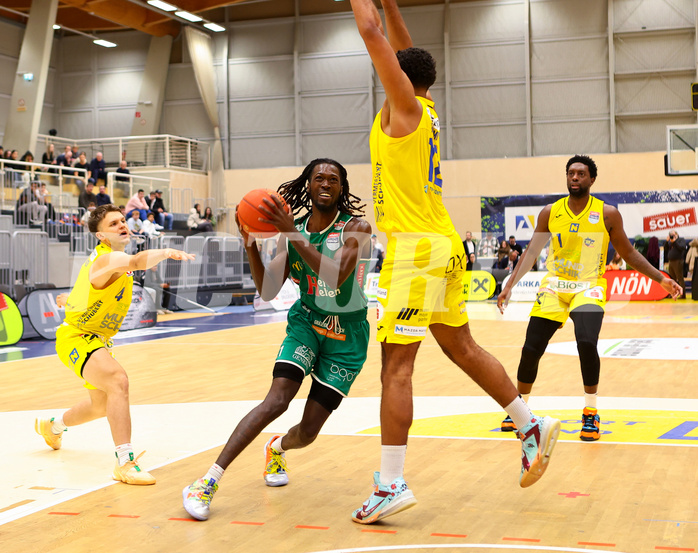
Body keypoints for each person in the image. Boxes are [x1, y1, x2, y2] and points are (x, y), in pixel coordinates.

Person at [349, 0, 561, 525]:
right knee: (461, 345)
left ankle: (391, 483)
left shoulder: (404, 109)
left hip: (415, 249)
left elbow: (371, 30)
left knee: (396, 366)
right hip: (441, 244)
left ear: (400, 75)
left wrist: (374, 11)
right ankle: (529, 425)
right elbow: (393, 38)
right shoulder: (425, 107)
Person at [182, 158, 372, 521]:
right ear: (309, 185)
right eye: (319, 178)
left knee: (309, 432)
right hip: (307, 322)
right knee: (276, 401)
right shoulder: (293, 230)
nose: (326, 183)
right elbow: (268, 291)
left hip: (348, 336)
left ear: (342, 188)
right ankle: (207, 481)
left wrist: (291, 232)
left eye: (334, 179)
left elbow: (334, 277)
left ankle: (277, 446)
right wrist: (250, 243)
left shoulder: (356, 227)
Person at [497, 155, 683, 440]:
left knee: (586, 342)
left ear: (592, 179)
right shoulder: (550, 212)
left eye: (581, 174)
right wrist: (510, 284)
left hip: (589, 286)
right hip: (555, 286)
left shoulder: (608, 213)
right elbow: (532, 252)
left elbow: (630, 253)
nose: (575, 177)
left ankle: (590, 412)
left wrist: (661, 278)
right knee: (531, 347)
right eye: (571, 173)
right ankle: (519, 409)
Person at [35, 204, 195, 485]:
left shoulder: (105, 259)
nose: (122, 225)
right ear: (101, 236)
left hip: (97, 338)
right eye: (114, 224)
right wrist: (166, 252)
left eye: (123, 220)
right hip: (77, 337)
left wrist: (66, 299)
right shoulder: (107, 259)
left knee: (100, 405)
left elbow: (88, 289)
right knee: (119, 381)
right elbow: (134, 263)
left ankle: (53, 426)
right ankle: (125, 461)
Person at [665, 231, 686, 299]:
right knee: (672, 278)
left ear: (676, 234)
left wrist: (675, 241)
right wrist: (667, 241)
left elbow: (682, 248)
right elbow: (666, 249)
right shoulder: (670, 242)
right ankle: (672, 294)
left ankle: (683, 295)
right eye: (670, 234)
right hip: (671, 261)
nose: (672, 235)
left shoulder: (681, 240)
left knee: (679, 278)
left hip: (678, 261)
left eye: (673, 234)